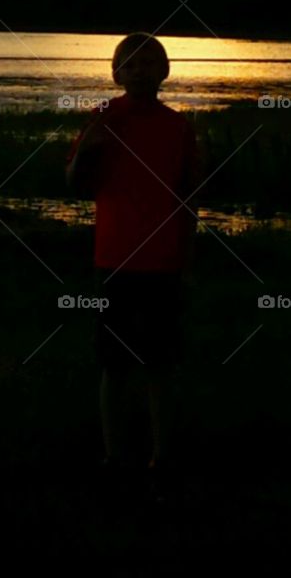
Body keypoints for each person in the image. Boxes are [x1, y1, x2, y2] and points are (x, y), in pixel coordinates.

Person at [65, 32, 201, 503]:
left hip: (163, 259)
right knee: (114, 363)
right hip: (115, 259)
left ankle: (162, 455)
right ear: (116, 74)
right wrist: (89, 148)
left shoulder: (179, 127)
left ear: (165, 71)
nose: (142, 71)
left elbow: (188, 196)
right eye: (132, 64)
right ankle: (114, 455)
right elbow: (77, 183)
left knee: (161, 362)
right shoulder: (104, 118)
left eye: (151, 63)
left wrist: (187, 258)